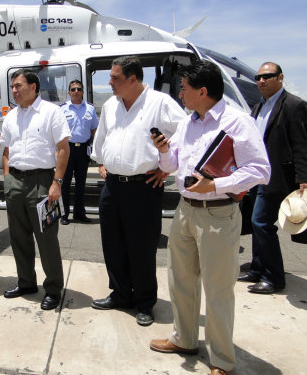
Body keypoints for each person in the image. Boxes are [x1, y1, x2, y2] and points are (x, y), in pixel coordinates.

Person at [149, 61, 270, 375]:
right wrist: (162, 150)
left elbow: (260, 171)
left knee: (218, 290)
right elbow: (174, 163)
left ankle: (221, 360)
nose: (180, 94)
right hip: (186, 209)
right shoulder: (190, 122)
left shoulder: (237, 122)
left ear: (203, 91)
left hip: (217, 212)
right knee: (181, 280)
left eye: (185, 88)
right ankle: (185, 339)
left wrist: (216, 184)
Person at [90, 56, 186, 326]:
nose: (109, 82)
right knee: (113, 244)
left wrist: (166, 168)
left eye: (115, 78)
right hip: (112, 187)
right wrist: (102, 162)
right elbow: (103, 138)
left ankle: (144, 301)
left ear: (134, 79)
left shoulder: (160, 103)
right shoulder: (110, 105)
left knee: (142, 248)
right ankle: (120, 293)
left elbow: (185, 133)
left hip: (143, 187)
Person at [0, 69, 71, 310]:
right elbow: (7, 151)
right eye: (12, 87)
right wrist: (8, 180)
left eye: (18, 85)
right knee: (18, 237)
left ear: (33, 87)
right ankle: (26, 282)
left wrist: (57, 183)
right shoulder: (11, 116)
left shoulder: (51, 112)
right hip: (16, 183)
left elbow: (63, 149)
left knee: (47, 239)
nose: (14, 90)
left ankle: (53, 289)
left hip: (43, 182)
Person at [238, 62, 307, 294]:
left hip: (280, 177)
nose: (261, 81)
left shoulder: (295, 105)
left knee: (262, 223)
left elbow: (303, 145)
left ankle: (274, 277)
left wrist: (305, 179)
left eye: (267, 76)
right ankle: (259, 268)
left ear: (280, 78)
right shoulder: (259, 106)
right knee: (256, 223)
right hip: (258, 175)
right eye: (258, 77)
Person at [59, 80, 98, 225]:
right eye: (73, 89)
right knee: (65, 183)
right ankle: (64, 215)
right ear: (69, 92)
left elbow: (94, 130)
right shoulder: (62, 109)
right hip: (67, 149)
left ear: (82, 92)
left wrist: (97, 149)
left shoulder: (90, 109)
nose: (76, 91)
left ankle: (80, 214)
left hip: (83, 150)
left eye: (79, 89)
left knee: (81, 184)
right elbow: (58, 131)